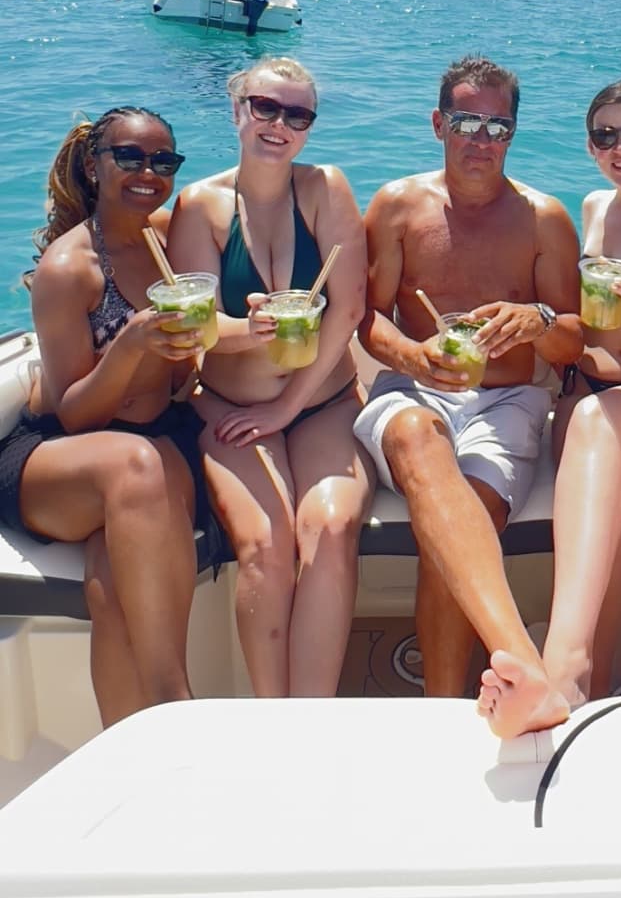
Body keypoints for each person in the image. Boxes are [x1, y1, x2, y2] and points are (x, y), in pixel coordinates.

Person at [477, 81, 621, 734]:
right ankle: (596, 694)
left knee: (593, 424)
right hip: (595, 402)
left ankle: (564, 664)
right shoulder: (594, 207)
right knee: (615, 508)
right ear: (589, 146)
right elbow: (581, 326)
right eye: (606, 135)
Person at [355, 52, 583, 709]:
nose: (481, 141)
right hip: (412, 392)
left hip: (508, 399)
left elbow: (573, 339)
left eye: (497, 127)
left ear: (513, 132)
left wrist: (537, 320)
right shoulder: (398, 207)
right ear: (437, 124)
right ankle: (517, 674)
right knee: (421, 446)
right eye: (466, 122)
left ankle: (445, 706)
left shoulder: (544, 220)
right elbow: (368, 320)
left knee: (463, 520)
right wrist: (413, 358)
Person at [167, 57, 372, 698]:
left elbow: (349, 309)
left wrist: (288, 409)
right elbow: (193, 329)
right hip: (231, 405)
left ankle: (310, 717)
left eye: (298, 114)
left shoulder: (325, 188)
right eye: (265, 108)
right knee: (265, 541)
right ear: (238, 111)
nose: (279, 124)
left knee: (332, 527)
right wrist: (242, 331)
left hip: (322, 403)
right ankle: (269, 717)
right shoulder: (199, 205)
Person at [0, 108, 210, 725]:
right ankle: (179, 709)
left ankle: (130, 750)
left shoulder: (170, 242)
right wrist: (131, 347)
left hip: (149, 443)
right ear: (94, 166)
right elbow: (71, 412)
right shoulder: (71, 270)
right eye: (130, 157)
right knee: (137, 466)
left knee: (114, 583)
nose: (149, 172)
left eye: (163, 161)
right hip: (59, 453)